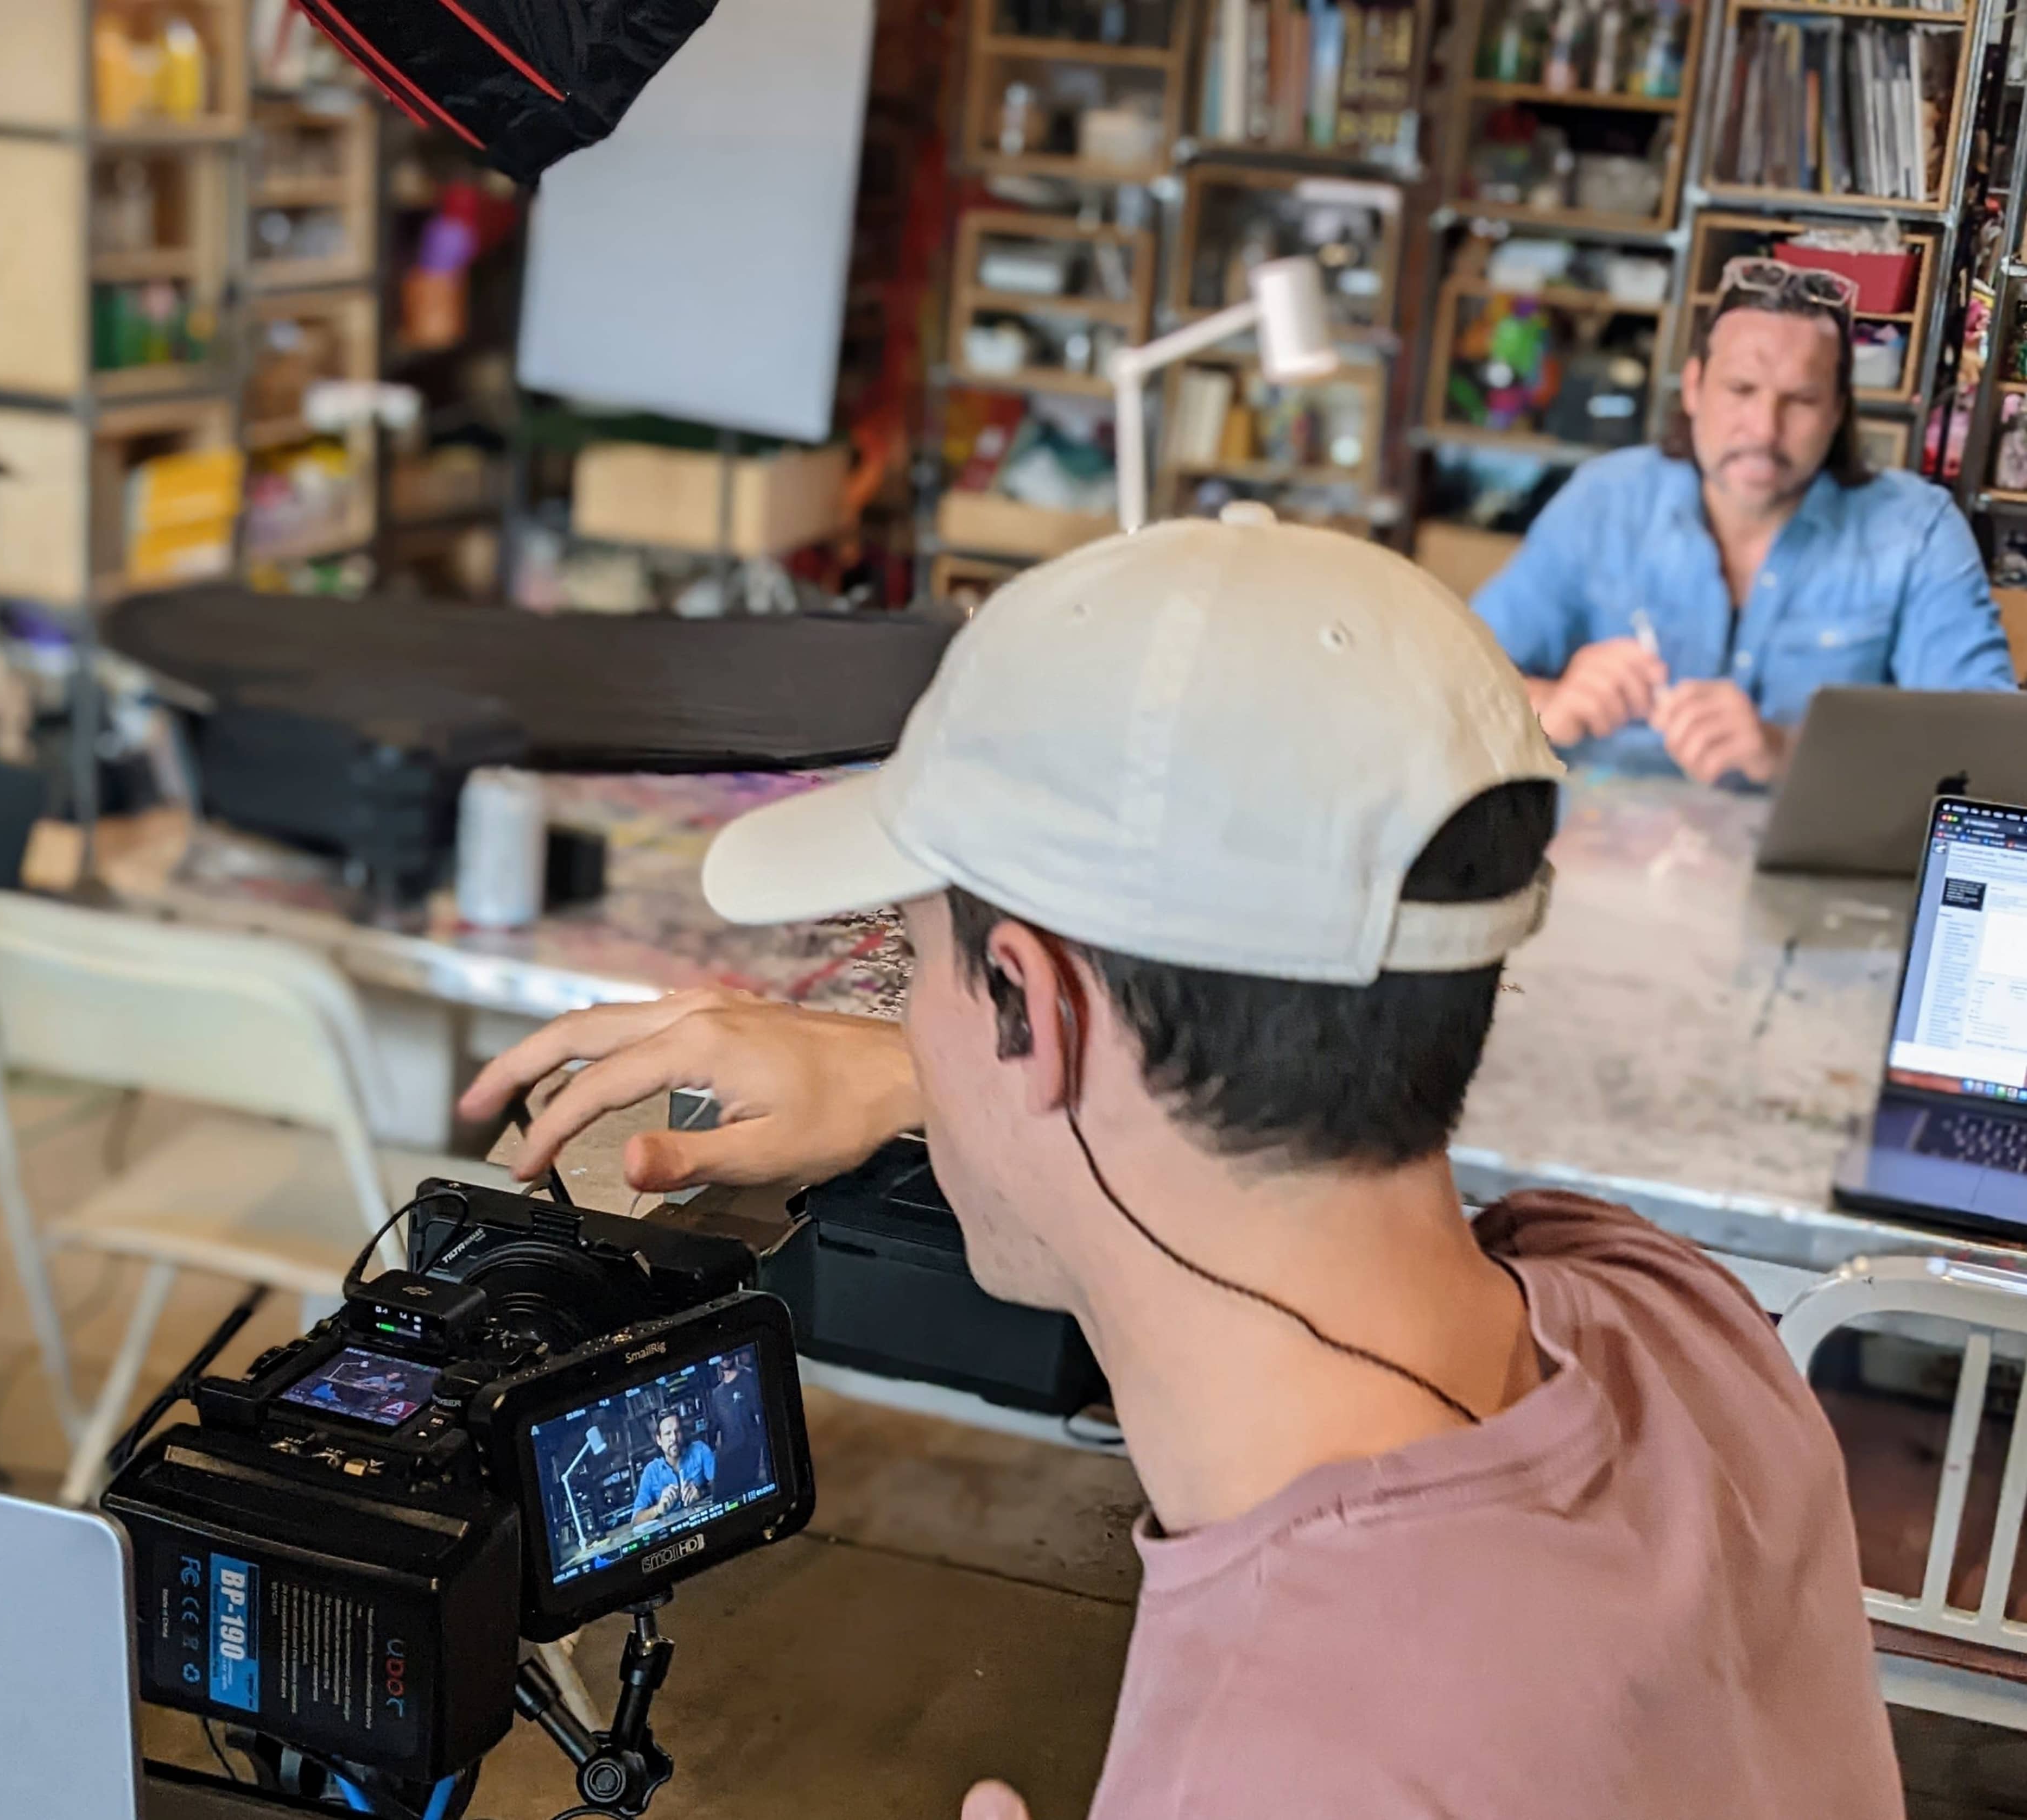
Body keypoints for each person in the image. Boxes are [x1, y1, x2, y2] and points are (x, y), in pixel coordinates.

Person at [461, 511, 1898, 1819]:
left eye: (911, 963)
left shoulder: (1268, 1760)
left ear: (1041, 1011)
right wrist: (932, 1067)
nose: (902, 1013)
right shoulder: (1678, 1314)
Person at [1473, 257, 2015, 785]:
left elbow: (1991, 755)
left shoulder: (1917, 531)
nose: (1763, 429)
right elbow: (1450, 681)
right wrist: (1549, 705)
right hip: (1598, 851)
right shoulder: (1604, 501)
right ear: (1693, 388)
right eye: (1740, 390)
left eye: (1801, 399)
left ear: (1837, 410)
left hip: (1811, 865)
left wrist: (1790, 752)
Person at [631, 1412, 714, 1527]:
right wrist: (658, 1509)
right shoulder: (651, 1472)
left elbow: (724, 1484)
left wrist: (702, 1492)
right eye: (668, 1434)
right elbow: (636, 1520)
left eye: (677, 1431)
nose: (674, 1438)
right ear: (659, 1440)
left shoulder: (700, 1450)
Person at [707, 1353, 765, 1500]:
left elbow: (762, 1420)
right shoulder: (717, 1395)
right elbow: (715, 1431)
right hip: (732, 1465)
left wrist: (762, 1462)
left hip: (753, 1460)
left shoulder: (749, 1379)